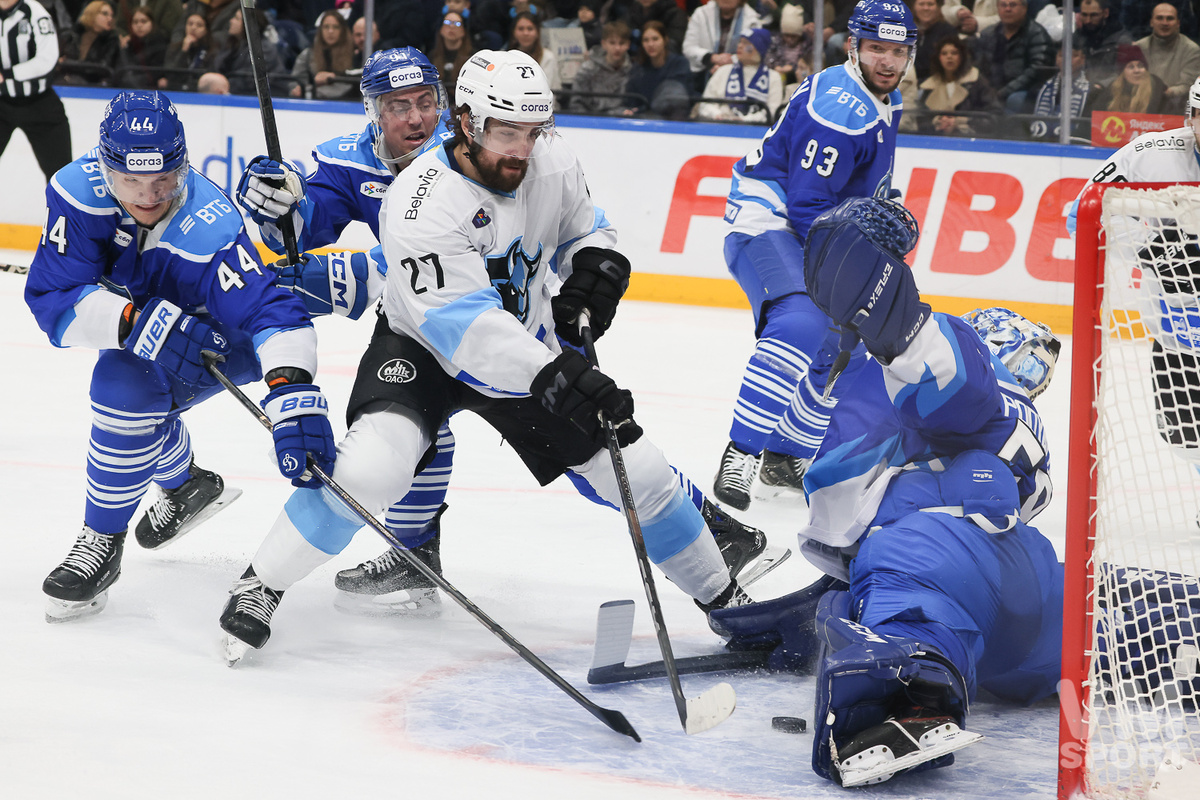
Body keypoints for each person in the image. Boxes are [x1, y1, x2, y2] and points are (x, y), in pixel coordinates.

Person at [218, 49, 767, 660]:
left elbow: (586, 227)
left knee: (640, 473)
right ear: (469, 123)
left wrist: (593, 269)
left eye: (533, 132)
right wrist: (559, 375)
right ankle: (260, 584)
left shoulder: (549, 157)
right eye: (506, 133)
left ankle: (730, 606)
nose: (521, 149)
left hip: (525, 344)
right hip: (425, 347)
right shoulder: (418, 200)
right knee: (373, 468)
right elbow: (469, 332)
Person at [710, 196, 1063, 787]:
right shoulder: (1010, 420)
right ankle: (1158, 621)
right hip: (1025, 596)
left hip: (928, 557)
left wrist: (874, 292)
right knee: (1102, 619)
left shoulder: (966, 379)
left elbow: (938, 370)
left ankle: (905, 694)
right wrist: (826, 610)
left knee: (910, 608)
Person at [24, 90, 335, 623]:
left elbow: (272, 313)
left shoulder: (209, 227)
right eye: (132, 181)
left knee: (123, 388)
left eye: (163, 179)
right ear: (104, 168)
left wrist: (291, 392)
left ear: (183, 166)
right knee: (138, 388)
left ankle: (101, 539)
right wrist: (130, 323)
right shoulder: (75, 193)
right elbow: (53, 297)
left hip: (221, 335)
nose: (149, 196)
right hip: (147, 318)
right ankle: (185, 482)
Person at [712, 0, 916, 511]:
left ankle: (785, 455)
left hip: (814, 227)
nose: (887, 61)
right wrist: (860, 254)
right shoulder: (842, 109)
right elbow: (808, 206)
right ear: (853, 47)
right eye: (876, 49)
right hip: (770, 224)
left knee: (851, 341)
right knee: (802, 322)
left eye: (897, 51)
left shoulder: (877, 95)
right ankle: (741, 451)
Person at [0, 0, 72, 183]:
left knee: (61, 175)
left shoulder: (34, 12)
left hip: (39, 103)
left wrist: (8, 74)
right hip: (2, 102)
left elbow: (47, 59)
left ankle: (63, 211)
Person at [974, 0, 1054, 113]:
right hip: (992, 89)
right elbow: (979, 66)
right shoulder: (987, 34)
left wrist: (1004, 92)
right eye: (1003, 5)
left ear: (1024, 8)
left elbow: (1037, 70)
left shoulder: (1037, 33)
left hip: (1024, 91)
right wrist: (985, 89)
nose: (1007, 9)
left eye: (1012, 5)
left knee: (1015, 100)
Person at [691, 26, 783, 123]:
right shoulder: (723, 71)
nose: (740, 46)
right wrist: (718, 115)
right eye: (740, 42)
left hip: (756, 131)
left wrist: (744, 120)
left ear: (759, 49)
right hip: (718, 126)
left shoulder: (773, 77)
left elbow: (772, 111)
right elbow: (705, 104)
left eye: (746, 43)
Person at [915, 34, 1000, 136]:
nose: (949, 57)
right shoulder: (929, 86)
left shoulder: (976, 80)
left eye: (954, 53)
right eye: (944, 53)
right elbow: (921, 120)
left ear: (962, 57)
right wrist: (937, 121)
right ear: (938, 58)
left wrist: (963, 122)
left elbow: (994, 116)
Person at [1135, 2, 1200, 114]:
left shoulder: (1192, 50)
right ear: (1151, 22)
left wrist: (1160, 93)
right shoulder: (1138, 47)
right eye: (1159, 18)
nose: (1164, 23)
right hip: (1139, 106)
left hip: (1177, 109)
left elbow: (1188, 85)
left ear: (1178, 23)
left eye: (1169, 18)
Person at [211, 6, 288, 96]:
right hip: (233, 92)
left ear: (248, 24)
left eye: (236, 18)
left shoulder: (263, 48)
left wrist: (223, 85)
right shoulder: (232, 43)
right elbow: (217, 68)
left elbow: (249, 80)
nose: (231, 21)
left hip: (261, 98)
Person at [1028, 38, 1095, 140]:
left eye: (1074, 55)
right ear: (1056, 59)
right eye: (1061, 55)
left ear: (1083, 60)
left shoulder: (1091, 91)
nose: (1067, 59)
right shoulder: (1041, 87)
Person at [625, 19, 693, 117]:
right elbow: (632, 101)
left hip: (676, 120)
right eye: (646, 40)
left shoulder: (679, 64)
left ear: (665, 40)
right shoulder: (638, 69)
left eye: (655, 39)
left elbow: (678, 100)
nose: (651, 44)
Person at [682, 0, 763, 78]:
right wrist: (712, 58)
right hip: (701, 72)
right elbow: (688, 47)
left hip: (739, 72)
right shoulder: (700, 14)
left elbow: (753, 51)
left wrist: (730, 62)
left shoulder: (753, 20)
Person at [569, 19, 633, 115]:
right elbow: (577, 103)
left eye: (621, 43)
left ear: (628, 44)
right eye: (612, 43)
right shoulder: (587, 69)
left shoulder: (633, 71)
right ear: (603, 44)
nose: (617, 48)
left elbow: (632, 104)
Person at [290, 9, 356, 100]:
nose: (330, 31)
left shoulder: (355, 54)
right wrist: (302, 88)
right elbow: (294, 84)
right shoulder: (307, 55)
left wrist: (312, 86)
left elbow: (349, 86)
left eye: (336, 27)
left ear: (343, 30)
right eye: (326, 27)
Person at [1090, 43, 1170, 114]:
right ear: (1122, 73)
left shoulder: (1157, 90)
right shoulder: (1111, 91)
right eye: (1131, 67)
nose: (1137, 70)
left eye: (1140, 66)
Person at [59, 0, 121, 86]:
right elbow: (60, 60)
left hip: (92, 82)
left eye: (111, 15)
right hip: (66, 78)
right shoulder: (73, 35)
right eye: (105, 14)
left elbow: (101, 68)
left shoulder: (111, 40)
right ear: (92, 14)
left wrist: (68, 63)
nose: (110, 18)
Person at [1076, 0, 1133, 89]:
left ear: (1105, 13)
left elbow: (1124, 73)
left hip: (1109, 92)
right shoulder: (1077, 38)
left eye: (1094, 15)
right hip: (1078, 91)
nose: (1088, 21)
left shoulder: (1122, 40)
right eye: (1084, 15)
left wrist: (1101, 85)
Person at [508, 11, 562, 93]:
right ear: (514, 32)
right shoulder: (507, 57)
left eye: (530, 29)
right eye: (521, 29)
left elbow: (547, 89)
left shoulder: (548, 57)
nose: (525, 33)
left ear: (537, 32)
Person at [159, 12, 214, 92]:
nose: (193, 28)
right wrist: (184, 51)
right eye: (190, 24)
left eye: (199, 25)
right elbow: (171, 75)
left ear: (206, 30)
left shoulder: (211, 50)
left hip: (199, 92)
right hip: (175, 90)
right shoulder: (174, 47)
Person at [116, 6, 167, 89]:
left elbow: (155, 73)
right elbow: (120, 70)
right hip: (124, 87)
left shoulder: (159, 43)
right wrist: (124, 49)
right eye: (135, 22)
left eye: (143, 21)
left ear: (152, 23)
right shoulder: (127, 44)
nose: (139, 25)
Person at [430, 10, 475, 97]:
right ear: (441, 29)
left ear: (464, 30)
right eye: (447, 22)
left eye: (457, 24)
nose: (451, 26)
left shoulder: (472, 58)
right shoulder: (432, 56)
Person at [911, 0, 956, 83]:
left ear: (938, 7)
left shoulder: (948, 32)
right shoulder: (908, 30)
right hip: (910, 82)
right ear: (914, 7)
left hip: (937, 82)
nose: (926, 8)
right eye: (921, 4)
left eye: (930, 4)